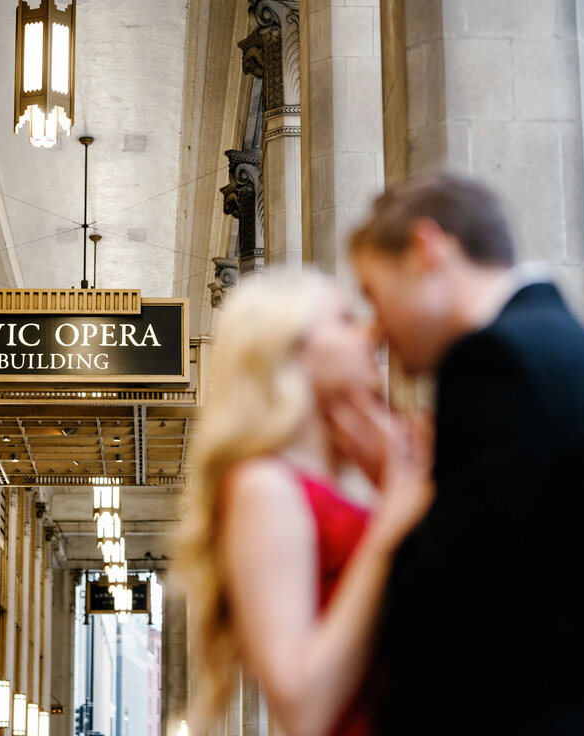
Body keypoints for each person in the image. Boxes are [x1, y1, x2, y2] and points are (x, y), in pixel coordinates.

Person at [338, 174, 584, 735]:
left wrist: (400, 499)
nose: (375, 331)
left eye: (374, 297)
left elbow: (442, 625)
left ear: (426, 251)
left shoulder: (494, 367)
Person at [180, 269, 434, 736]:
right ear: (293, 352)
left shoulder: (338, 482)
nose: (370, 333)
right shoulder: (263, 486)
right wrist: (389, 528)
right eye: (343, 319)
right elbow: (301, 707)